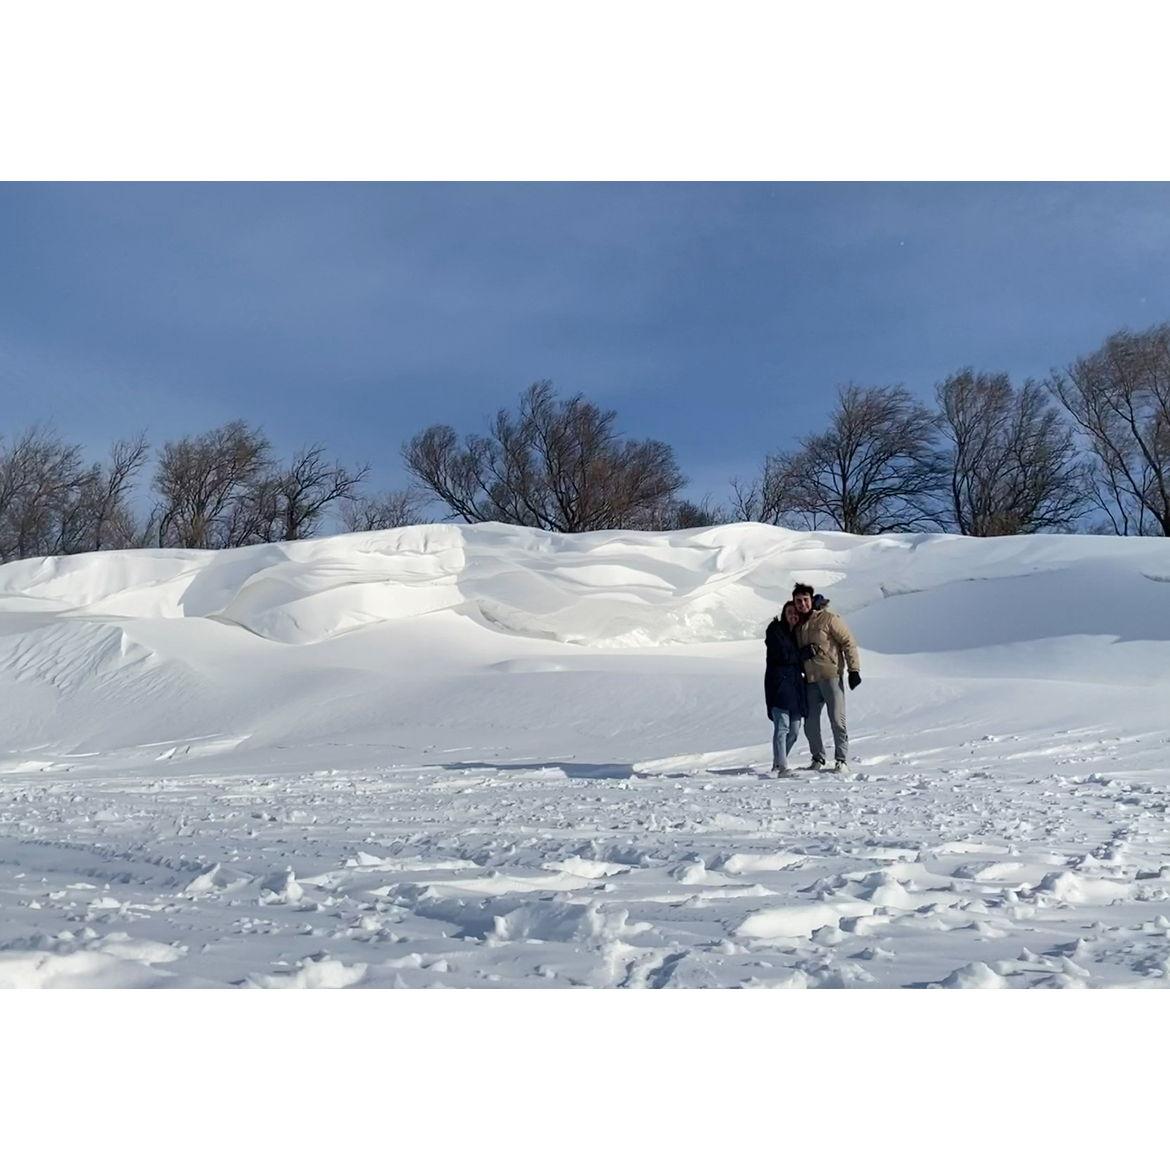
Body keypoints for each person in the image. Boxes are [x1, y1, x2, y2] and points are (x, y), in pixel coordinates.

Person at [791, 582, 861, 773]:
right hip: (811, 680)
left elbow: (848, 642)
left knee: (837, 720)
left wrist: (854, 670)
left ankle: (841, 760)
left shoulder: (828, 619)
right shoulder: (798, 626)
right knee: (810, 724)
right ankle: (818, 758)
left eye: (805, 600)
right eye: (798, 601)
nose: (802, 604)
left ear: (811, 600)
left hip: (831, 676)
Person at [763, 600, 808, 777]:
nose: (793, 615)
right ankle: (782, 767)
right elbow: (782, 655)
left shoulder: (797, 634)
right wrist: (802, 654)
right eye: (789, 612)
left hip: (795, 688)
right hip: (779, 686)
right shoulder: (775, 630)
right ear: (784, 614)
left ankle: (778, 762)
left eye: (795, 613)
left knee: (794, 731)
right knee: (782, 727)